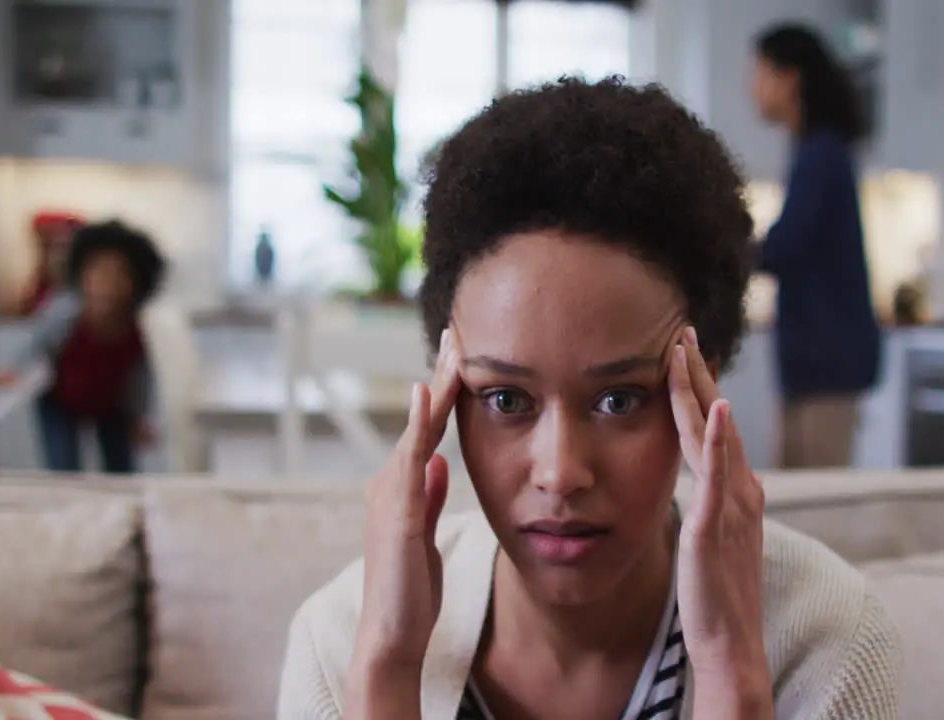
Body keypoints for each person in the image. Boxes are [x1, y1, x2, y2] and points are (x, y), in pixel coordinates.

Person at [278, 78, 900, 720]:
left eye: (620, 401)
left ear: (704, 394)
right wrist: (385, 667)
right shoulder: (339, 641)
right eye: (506, 400)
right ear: (446, 396)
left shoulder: (828, 643)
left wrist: (730, 669)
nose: (560, 474)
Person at [750, 24, 882, 469]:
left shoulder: (820, 154)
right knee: (800, 497)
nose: (752, 88)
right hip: (817, 362)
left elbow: (785, 247)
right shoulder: (815, 151)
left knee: (815, 502)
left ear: (789, 78)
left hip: (825, 363)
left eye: (759, 73)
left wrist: (718, 247)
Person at [0, 220, 166, 474]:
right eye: (98, 274)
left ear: (136, 283)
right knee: (64, 469)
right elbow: (36, 347)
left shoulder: (137, 327)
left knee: (122, 472)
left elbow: (140, 376)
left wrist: (141, 417)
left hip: (111, 404)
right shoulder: (64, 313)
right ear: (81, 276)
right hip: (59, 401)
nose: (107, 286)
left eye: (119, 276)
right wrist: (15, 373)